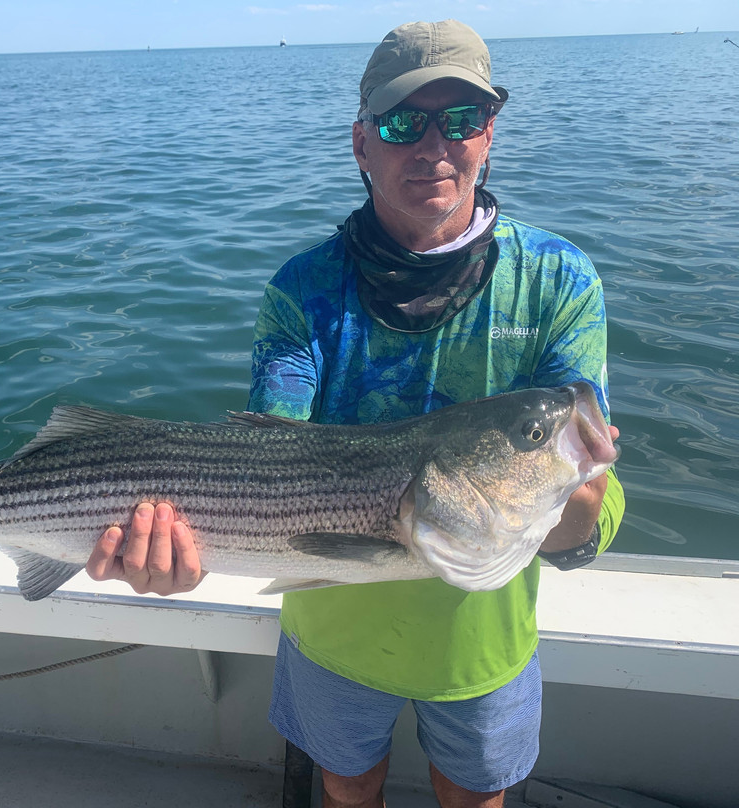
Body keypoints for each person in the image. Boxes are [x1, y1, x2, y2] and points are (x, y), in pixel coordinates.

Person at [86, 19, 625, 808]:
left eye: (461, 120)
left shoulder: (559, 283)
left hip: (482, 642)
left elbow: (584, 519)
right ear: (361, 142)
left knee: (475, 799)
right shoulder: (302, 291)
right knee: (346, 786)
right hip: (329, 632)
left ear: (490, 135)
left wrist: (579, 504)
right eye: (404, 122)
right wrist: (181, 546)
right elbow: (274, 455)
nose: (433, 146)